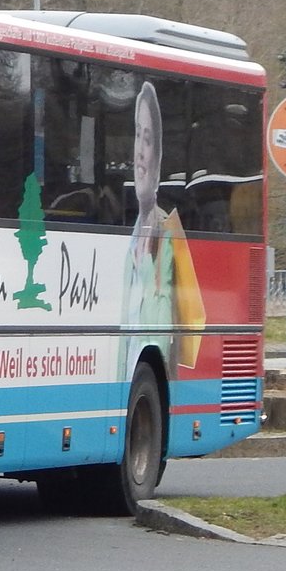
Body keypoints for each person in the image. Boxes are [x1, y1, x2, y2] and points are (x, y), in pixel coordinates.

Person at [117, 82, 176, 380]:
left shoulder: (167, 235)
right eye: (138, 136)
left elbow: (160, 336)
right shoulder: (131, 241)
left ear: (158, 154)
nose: (140, 150)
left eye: (148, 139)